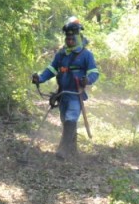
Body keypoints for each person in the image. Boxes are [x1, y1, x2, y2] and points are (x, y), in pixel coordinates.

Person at [31, 17, 100, 159]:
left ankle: (62, 150)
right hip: (62, 94)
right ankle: (72, 149)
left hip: (76, 94)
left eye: (72, 39)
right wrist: (40, 78)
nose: (69, 41)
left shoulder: (86, 55)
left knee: (70, 119)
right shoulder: (61, 54)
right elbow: (51, 69)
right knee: (65, 120)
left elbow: (94, 72)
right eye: (67, 39)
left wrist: (87, 80)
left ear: (78, 38)